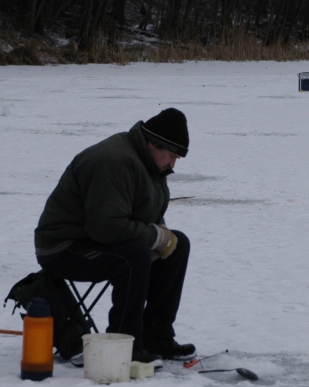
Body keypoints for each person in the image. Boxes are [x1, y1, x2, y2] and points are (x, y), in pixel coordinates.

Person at [34, 108, 196, 367]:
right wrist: (153, 237)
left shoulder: (149, 163)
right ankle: (125, 344)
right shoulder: (115, 161)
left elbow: (145, 211)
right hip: (62, 246)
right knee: (134, 256)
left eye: (177, 158)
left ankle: (157, 336)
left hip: (97, 238)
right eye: (171, 155)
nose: (173, 164)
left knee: (178, 245)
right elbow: (105, 227)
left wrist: (161, 236)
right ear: (152, 143)